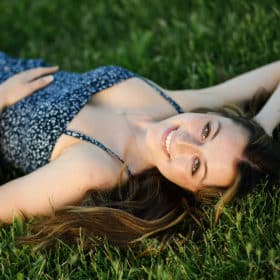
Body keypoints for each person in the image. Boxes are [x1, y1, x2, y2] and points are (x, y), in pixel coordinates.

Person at [0, 51, 279, 248]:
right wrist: (262, 125)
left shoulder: (95, 167)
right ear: (217, 116)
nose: (183, 141)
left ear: (191, 191)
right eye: (207, 131)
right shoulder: (172, 106)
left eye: (196, 165)